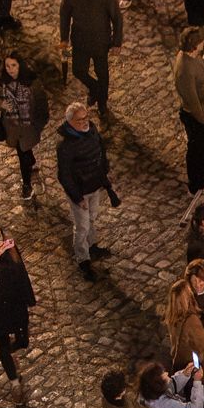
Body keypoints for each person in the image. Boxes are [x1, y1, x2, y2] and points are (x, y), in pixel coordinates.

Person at [56, 102, 112, 279]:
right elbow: (64, 175)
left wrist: (104, 171)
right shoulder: (65, 146)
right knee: (82, 226)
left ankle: (92, 245)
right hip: (80, 191)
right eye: (80, 120)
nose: (85, 122)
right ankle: (83, 258)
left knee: (92, 219)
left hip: (94, 185)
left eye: (86, 117)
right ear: (70, 122)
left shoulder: (91, 129)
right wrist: (77, 197)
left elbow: (101, 149)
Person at [60, 0, 124, 116]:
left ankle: (102, 103)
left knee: (102, 73)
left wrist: (117, 42)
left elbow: (117, 18)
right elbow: (64, 16)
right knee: (78, 71)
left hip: (100, 42)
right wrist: (64, 38)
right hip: (80, 41)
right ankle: (96, 90)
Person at [0, 224, 38, 382]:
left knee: (23, 341)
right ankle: (14, 381)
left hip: (16, 303)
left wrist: (29, 298)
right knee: (3, 345)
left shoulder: (11, 248)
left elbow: (21, 272)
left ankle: (15, 346)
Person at [0, 55, 51, 199]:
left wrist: (38, 124)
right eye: (7, 66)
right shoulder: (1, 81)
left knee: (23, 153)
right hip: (12, 127)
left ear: (20, 66)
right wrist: (1, 104)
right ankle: (28, 177)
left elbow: (42, 104)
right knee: (22, 152)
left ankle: (26, 183)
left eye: (14, 65)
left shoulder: (32, 82)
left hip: (28, 127)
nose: (10, 69)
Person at [174, 28, 204, 193]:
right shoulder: (184, 68)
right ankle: (197, 183)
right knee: (197, 151)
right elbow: (192, 100)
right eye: (200, 42)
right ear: (194, 45)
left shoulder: (194, 57)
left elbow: (200, 74)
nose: (203, 44)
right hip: (196, 117)